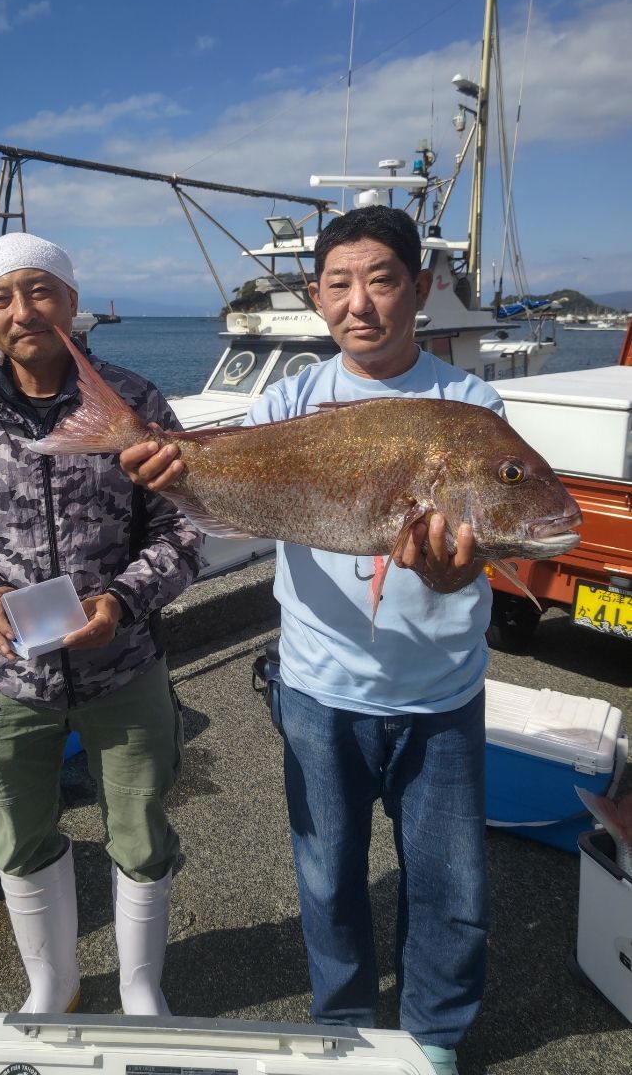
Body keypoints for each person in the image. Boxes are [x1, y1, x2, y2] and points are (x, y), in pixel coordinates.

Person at [120, 206, 501, 1075]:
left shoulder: (467, 403)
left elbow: (477, 544)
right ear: (316, 297)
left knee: (450, 883)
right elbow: (244, 497)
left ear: (420, 287)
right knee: (328, 879)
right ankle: (342, 1027)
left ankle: (434, 1037)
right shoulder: (292, 396)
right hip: (318, 685)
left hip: (440, 689)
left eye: (380, 279)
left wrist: (454, 572)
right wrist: (176, 480)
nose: (359, 303)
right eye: (338, 284)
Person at [0, 232, 201, 1018]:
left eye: (41, 292)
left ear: (72, 305)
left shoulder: (134, 405)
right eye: (2, 298)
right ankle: (52, 981)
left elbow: (184, 527)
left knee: (139, 829)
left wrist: (123, 602)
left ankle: (140, 986)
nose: (23, 310)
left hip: (123, 667)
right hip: (5, 680)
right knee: (18, 833)